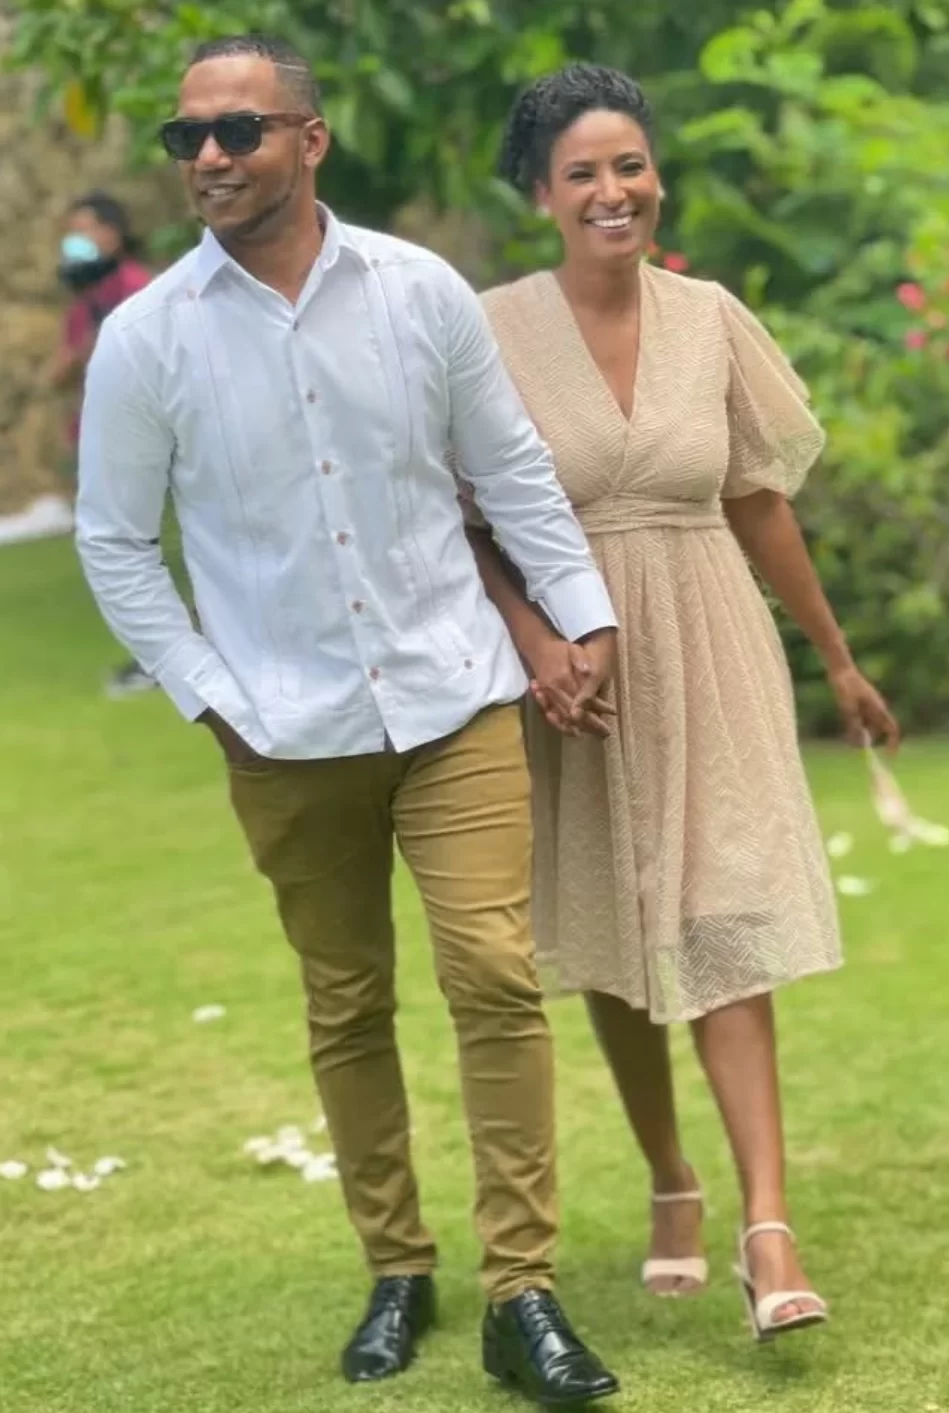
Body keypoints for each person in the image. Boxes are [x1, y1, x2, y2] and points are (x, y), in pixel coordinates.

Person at [74, 33, 621, 1407]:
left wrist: (581, 613)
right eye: (188, 137)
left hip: (452, 696)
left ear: (309, 140)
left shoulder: (418, 291)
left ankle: (524, 1292)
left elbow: (506, 467)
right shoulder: (147, 338)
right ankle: (396, 1265)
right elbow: (113, 542)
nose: (209, 157)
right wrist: (211, 696)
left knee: (494, 976)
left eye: (239, 131)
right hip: (282, 727)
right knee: (346, 1001)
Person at [465, 64, 899, 1341]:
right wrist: (539, 645)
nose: (615, 191)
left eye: (631, 165)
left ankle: (768, 1229)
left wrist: (837, 657)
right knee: (611, 930)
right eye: (584, 173)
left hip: (712, 644)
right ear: (542, 195)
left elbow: (759, 500)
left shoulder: (710, 318)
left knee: (724, 920)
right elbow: (460, 520)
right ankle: (671, 1178)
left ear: (656, 177)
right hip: (576, 674)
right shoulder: (487, 330)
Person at [46, 191, 157, 699]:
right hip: (100, 444)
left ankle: (160, 660)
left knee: (151, 553)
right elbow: (59, 375)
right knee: (120, 560)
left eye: (85, 229)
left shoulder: (139, 290)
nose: (76, 241)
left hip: (149, 445)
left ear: (113, 233)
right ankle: (150, 657)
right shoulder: (83, 303)